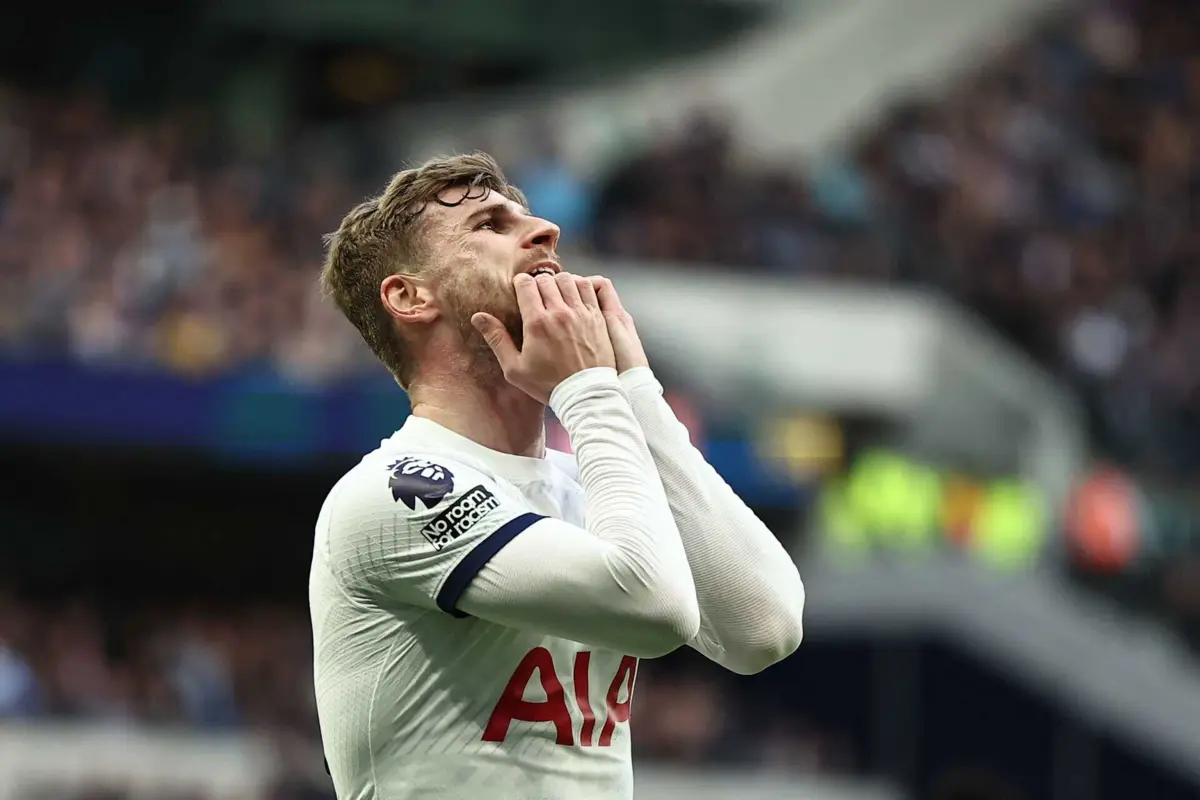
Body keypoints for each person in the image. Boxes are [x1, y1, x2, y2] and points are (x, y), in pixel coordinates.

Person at [310, 152, 806, 800]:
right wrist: (589, 387)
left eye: (529, 216)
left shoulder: (590, 477)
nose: (546, 231)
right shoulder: (397, 488)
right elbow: (653, 608)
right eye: (490, 225)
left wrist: (635, 390)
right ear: (409, 295)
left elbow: (764, 628)